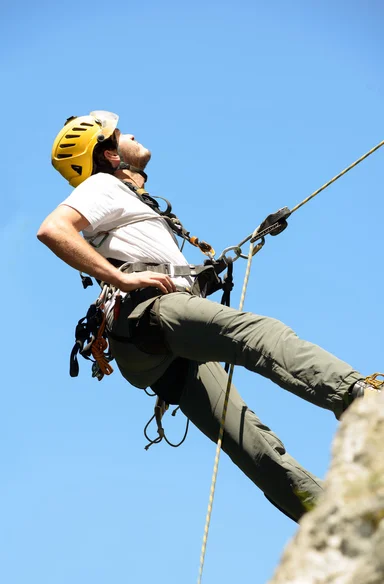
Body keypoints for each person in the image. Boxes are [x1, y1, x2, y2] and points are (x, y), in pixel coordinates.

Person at [38, 110, 383, 523]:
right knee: (258, 334)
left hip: (151, 342)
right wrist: (119, 278)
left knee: (248, 439)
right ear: (109, 155)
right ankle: (362, 398)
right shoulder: (101, 186)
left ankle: (340, 524)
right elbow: (53, 229)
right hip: (147, 313)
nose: (131, 133)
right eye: (119, 133)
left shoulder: (129, 202)